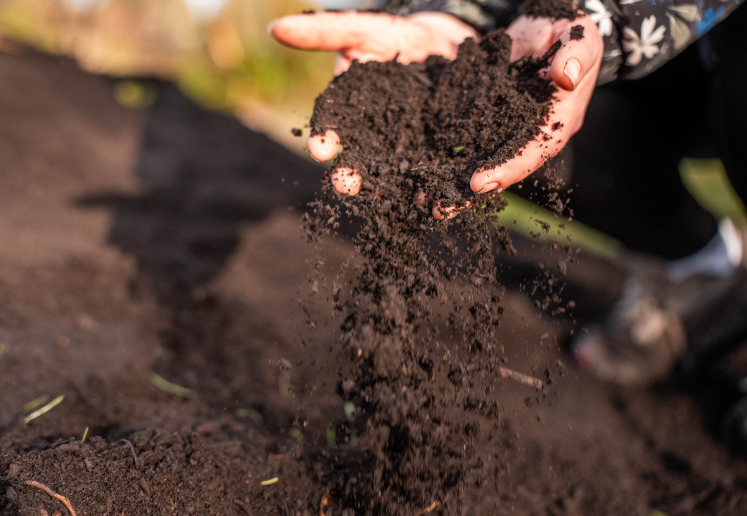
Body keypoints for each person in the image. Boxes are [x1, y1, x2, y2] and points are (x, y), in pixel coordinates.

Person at [271, 0, 747, 449]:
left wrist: (606, 18)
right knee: (513, 122)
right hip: (638, 60)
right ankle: (697, 267)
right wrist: (450, 13)